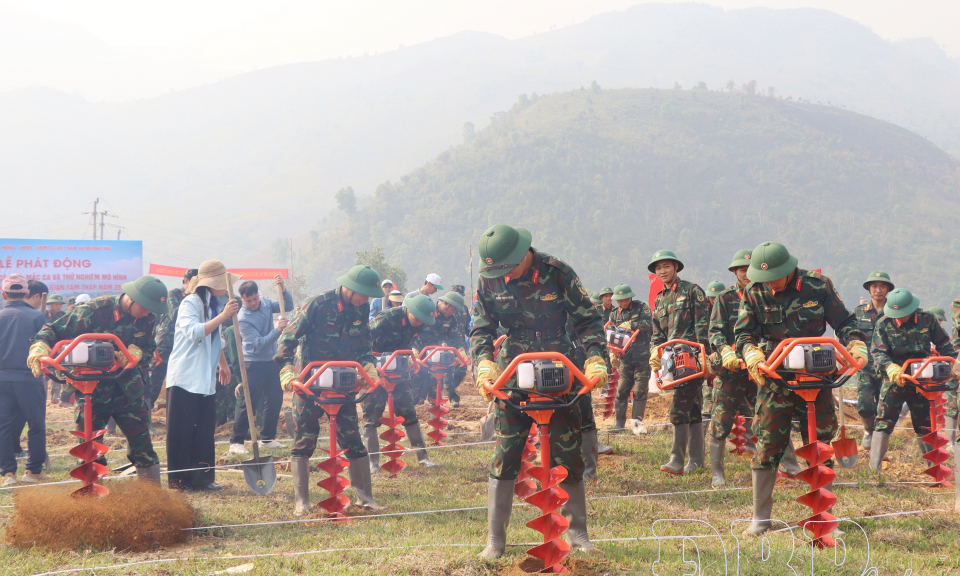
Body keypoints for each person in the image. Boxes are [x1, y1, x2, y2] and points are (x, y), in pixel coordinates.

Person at [471, 224, 608, 559]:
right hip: (512, 368)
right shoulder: (490, 277)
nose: (503, 276)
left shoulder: (557, 273)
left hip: (559, 364)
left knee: (568, 453)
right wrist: (485, 365)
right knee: (506, 453)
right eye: (497, 271)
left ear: (523, 255)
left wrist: (594, 359)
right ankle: (495, 541)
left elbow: (588, 320)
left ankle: (577, 534)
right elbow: (481, 327)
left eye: (508, 268)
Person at [734, 241, 868, 538]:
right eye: (763, 279)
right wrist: (751, 354)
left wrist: (856, 342)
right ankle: (760, 519)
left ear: (789, 270)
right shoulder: (754, 291)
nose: (769, 284)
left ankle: (823, 516)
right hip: (774, 375)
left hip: (815, 374)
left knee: (820, 442)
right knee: (768, 442)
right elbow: (744, 332)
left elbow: (844, 321)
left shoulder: (817, 286)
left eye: (774, 278)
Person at [28, 275, 170, 484]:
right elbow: (53, 329)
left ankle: (153, 496)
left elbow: (149, 348)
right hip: (92, 391)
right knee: (90, 448)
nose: (148, 313)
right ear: (131, 299)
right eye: (145, 307)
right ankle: (94, 501)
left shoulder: (147, 318)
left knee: (143, 445)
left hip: (128, 390)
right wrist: (40, 347)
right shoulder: (93, 311)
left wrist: (137, 353)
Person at [276, 265, 387, 515]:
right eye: (365, 294)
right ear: (352, 288)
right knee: (305, 439)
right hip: (311, 382)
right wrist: (286, 369)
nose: (367, 299)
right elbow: (288, 338)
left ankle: (365, 497)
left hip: (343, 382)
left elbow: (363, 342)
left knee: (353, 439)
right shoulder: (318, 304)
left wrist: (368, 365)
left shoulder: (362, 307)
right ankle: (301, 502)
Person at [165, 261, 239, 491]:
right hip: (186, 376)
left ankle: (203, 479)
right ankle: (180, 481)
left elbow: (216, 340)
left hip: (205, 378)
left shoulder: (214, 306)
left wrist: (223, 364)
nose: (226, 290)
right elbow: (194, 332)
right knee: (181, 431)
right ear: (210, 285)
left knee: (205, 430)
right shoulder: (191, 303)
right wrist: (224, 315)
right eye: (222, 284)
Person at [868, 290, 957, 469]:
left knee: (924, 423)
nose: (899, 318)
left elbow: (944, 344)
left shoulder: (927, 319)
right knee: (884, 422)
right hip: (895, 378)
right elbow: (878, 352)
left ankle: (933, 467)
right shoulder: (884, 323)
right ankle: (874, 470)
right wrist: (889, 367)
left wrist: (953, 365)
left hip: (922, 378)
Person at [648, 249, 710, 475]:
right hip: (670, 362)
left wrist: (704, 357)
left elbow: (703, 325)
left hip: (691, 358)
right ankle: (696, 462)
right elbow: (657, 333)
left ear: (676, 267)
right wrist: (654, 352)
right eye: (658, 268)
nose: (662, 271)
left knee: (678, 409)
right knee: (692, 409)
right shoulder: (659, 299)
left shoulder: (692, 291)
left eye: (666, 266)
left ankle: (676, 459)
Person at [707, 250, 761, 488]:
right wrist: (724, 350)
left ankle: (777, 466)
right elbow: (715, 331)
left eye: (750, 269)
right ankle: (717, 473)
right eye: (742, 270)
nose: (747, 274)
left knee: (769, 416)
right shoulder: (725, 298)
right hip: (730, 369)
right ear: (734, 272)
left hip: (759, 367)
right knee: (721, 419)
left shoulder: (766, 295)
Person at [366, 294, 441, 469]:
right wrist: (366, 364)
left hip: (398, 370)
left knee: (409, 412)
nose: (419, 323)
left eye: (423, 321)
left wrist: (408, 358)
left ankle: (423, 458)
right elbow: (362, 340)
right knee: (371, 415)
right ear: (409, 309)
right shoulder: (386, 318)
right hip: (375, 370)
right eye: (418, 318)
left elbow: (408, 344)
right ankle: (372, 462)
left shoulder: (420, 324)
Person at [226, 276, 293, 454]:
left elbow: (286, 306)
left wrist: (283, 289)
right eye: (249, 301)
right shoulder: (242, 319)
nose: (254, 303)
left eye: (255, 298)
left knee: (274, 399)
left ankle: (268, 439)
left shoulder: (264, 302)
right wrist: (278, 330)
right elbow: (259, 343)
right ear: (242, 300)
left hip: (272, 360)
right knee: (248, 401)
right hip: (253, 363)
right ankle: (237, 442)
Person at [0, 275, 49, 486]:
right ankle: (33, 472)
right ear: (27, 294)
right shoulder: (38, 318)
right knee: (36, 425)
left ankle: (7, 474)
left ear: (4, 294)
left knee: (4, 426)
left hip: (2, 380)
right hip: (30, 379)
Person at [147, 269, 198, 433]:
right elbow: (176, 315)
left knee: (181, 384)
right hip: (165, 344)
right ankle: (146, 424)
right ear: (185, 281)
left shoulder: (197, 298)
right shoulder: (174, 294)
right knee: (154, 382)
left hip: (182, 346)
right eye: (193, 282)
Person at [852, 271, 893, 450]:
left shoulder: (894, 312)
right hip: (865, 367)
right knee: (865, 405)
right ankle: (869, 430)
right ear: (869, 290)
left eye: (882, 286)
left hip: (887, 366)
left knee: (885, 408)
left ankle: (880, 440)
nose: (878, 290)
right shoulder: (858, 312)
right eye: (874, 286)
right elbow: (850, 336)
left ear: (888, 289)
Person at [609, 283, 653, 435]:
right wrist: (612, 352)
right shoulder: (614, 314)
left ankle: (636, 424)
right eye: (620, 300)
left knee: (640, 390)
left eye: (626, 299)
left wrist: (632, 325)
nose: (624, 302)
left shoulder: (641, 307)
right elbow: (611, 334)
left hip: (642, 356)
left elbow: (649, 324)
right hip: (625, 358)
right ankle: (619, 424)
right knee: (621, 390)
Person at [413, 291, 468, 407]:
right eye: (453, 309)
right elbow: (414, 330)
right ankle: (408, 414)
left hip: (434, 355)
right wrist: (414, 349)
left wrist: (461, 351)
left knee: (435, 388)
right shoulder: (428, 311)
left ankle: (436, 414)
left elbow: (455, 337)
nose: (454, 313)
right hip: (418, 352)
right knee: (415, 386)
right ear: (445, 304)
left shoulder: (451, 319)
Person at [43, 294, 66, 404]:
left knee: (58, 372)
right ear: (50, 304)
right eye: (56, 304)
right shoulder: (44, 315)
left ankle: (55, 397)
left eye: (60, 304)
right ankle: (42, 396)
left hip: (59, 347)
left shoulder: (64, 315)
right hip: (47, 346)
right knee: (44, 372)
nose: (58, 306)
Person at [217, 321, 241, 426]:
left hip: (232, 380)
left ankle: (232, 421)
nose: (223, 339)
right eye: (221, 336)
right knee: (219, 401)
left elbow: (236, 363)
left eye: (224, 336)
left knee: (232, 401)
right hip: (219, 380)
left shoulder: (234, 350)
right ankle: (219, 423)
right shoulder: (218, 351)